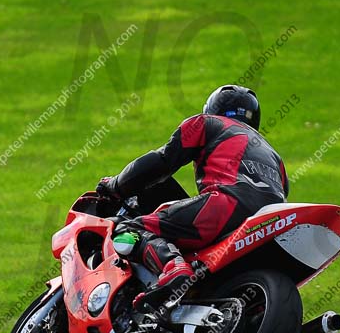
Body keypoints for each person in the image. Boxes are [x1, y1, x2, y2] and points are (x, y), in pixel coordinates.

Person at [96, 85, 289, 312]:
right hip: (270, 221)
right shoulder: (275, 158)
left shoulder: (206, 123)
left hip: (225, 205)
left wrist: (115, 185)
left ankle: (172, 267)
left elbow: (161, 162)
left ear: (211, 109)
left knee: (130, 229)